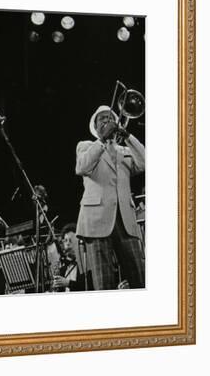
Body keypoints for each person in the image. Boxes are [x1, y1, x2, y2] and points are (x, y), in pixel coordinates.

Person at [75, 105, 145, 290]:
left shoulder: (124, 150)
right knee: (103, 283)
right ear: (95, 126)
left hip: (125, 221)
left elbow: (145, 162)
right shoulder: (87, 146)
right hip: (97, 222)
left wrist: (127, 135)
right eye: (101, 119)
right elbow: (81, 167)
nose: (106, 121)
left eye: (109, 118)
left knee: (139, 278)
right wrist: (103, 140)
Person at [51, 224, 91, 291]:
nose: (67, 244)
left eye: (71, 240)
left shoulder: (85, 262)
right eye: (65, 240)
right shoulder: (63, 268)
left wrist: (68, 283)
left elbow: (89, 286)